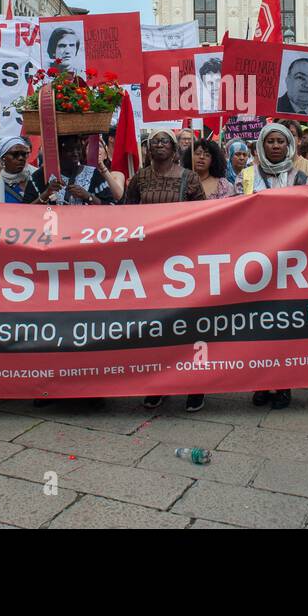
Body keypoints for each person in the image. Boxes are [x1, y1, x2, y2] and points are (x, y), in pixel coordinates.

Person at [124, 130, 206, 412]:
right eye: (154, 142)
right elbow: (125, 211)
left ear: (174, 150)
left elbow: (205, 217)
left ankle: (195, 385)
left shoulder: (190, 178)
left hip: (182, 263)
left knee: (187, 325)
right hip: (149, 263)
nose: (159, 145)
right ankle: (159, 383)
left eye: (165, 142)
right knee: (156, 326)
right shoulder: (140, 179)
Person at [240, 122, 308, 410]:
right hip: (255, 261)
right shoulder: (245, 176)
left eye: (281, 141)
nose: (276, 146)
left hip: (290, 262)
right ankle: (260, 382)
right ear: (261, 145)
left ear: (289, 146)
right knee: (258, 325)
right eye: (270, 141)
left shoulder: (302, 177)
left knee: (283, 326)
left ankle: (283, 384)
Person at [35, 135, 117, 206]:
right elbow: (24, 210)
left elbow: (111, 207)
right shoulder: (42, 175)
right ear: (58, 152)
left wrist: (88, 196)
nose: (75, 153)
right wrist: (46, 194)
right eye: (70, 150)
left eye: (78, 149)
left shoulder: (93, 174)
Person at [0, 136, 41, 204]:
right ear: (3, 158)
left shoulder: (37, 180)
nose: (21, 158)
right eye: (15, 154)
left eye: (23, 154)